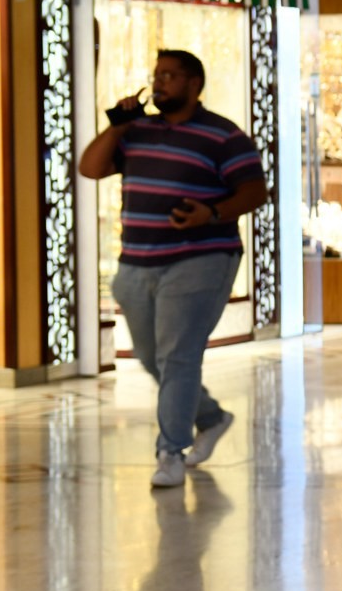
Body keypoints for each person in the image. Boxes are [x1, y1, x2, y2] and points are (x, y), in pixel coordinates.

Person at [77, 50, 269, 490]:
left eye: (170, 76)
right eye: (156, 76)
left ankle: (170, 451)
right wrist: (117, 124)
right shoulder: (136, 132)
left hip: (200, 258)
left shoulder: (223, 136)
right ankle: (211, 417)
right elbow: (90, 168)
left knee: (178, 356)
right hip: (137, 261)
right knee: (151, 357)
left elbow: (254, 192)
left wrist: (212, 212)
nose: (159, 83)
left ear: (194, 84)